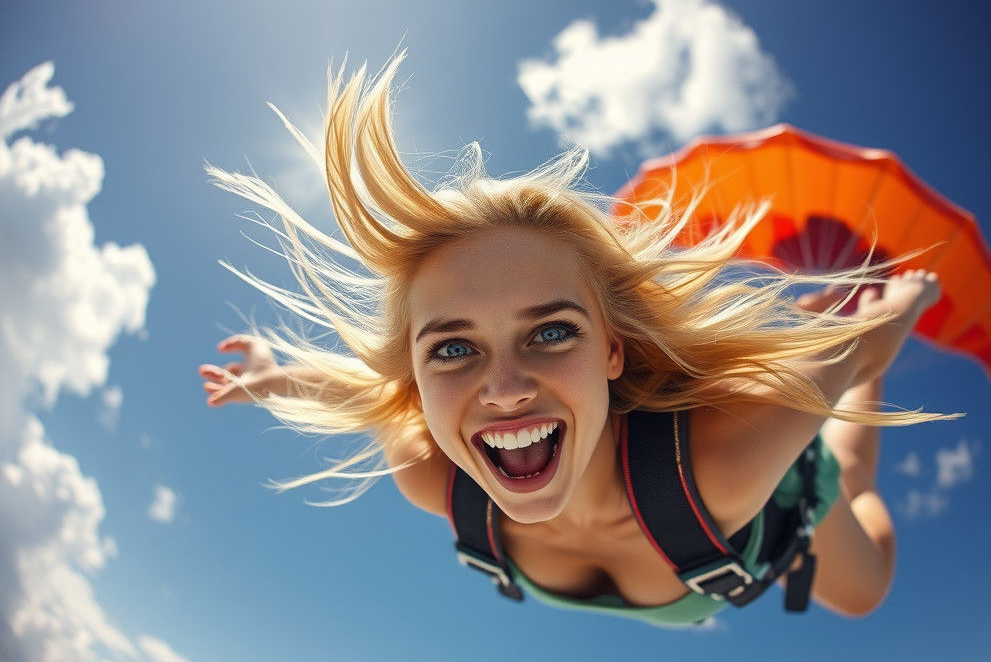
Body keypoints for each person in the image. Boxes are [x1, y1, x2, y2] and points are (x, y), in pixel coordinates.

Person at [199, 55, 948, 626]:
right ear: (419, 380)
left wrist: (897, 305)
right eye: (452, 349)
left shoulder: (729, 453)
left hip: (782, 481)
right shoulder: (433, 470)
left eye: (552, 332)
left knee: (864, 580)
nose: (504, 390)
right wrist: (276, 377)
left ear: (612, 348)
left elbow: (860, 346)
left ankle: (837, 422)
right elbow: (372, 395)